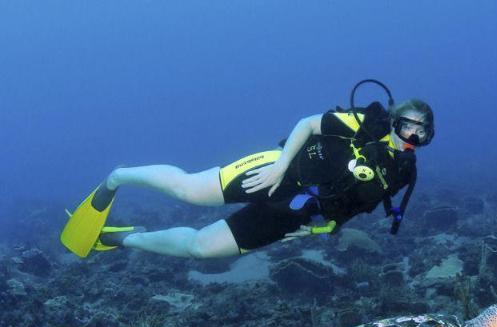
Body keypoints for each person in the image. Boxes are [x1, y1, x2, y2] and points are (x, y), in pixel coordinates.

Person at [60, 86, 433, 259]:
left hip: (296, 211)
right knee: (190, 190)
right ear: (395, 119)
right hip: (276, 171)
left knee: (202, 249)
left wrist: (323, 227)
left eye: (423, 133)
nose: (413, 137)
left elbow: (357, 204)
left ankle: (121, 240)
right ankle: (117, 177)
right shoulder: (366, 122)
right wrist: (279, 165)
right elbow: (307, 124)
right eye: (409, 126)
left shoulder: (402, 173)